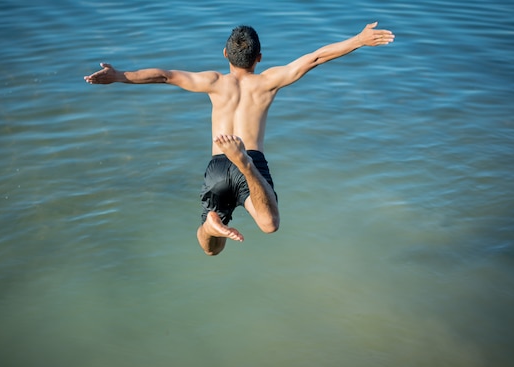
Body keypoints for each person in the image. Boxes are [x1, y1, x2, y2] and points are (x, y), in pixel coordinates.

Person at [84, 22, 394, 256]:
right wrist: (358, 40)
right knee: (269, 224)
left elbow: (165, 75)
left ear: (224, 54)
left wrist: (120, 75)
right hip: (250, 160)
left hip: (218, 163)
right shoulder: (267, 82)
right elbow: (313, 59)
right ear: (259, 57)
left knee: (211, 248)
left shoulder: (213, 82)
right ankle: (244, 165)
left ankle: (210, 224)